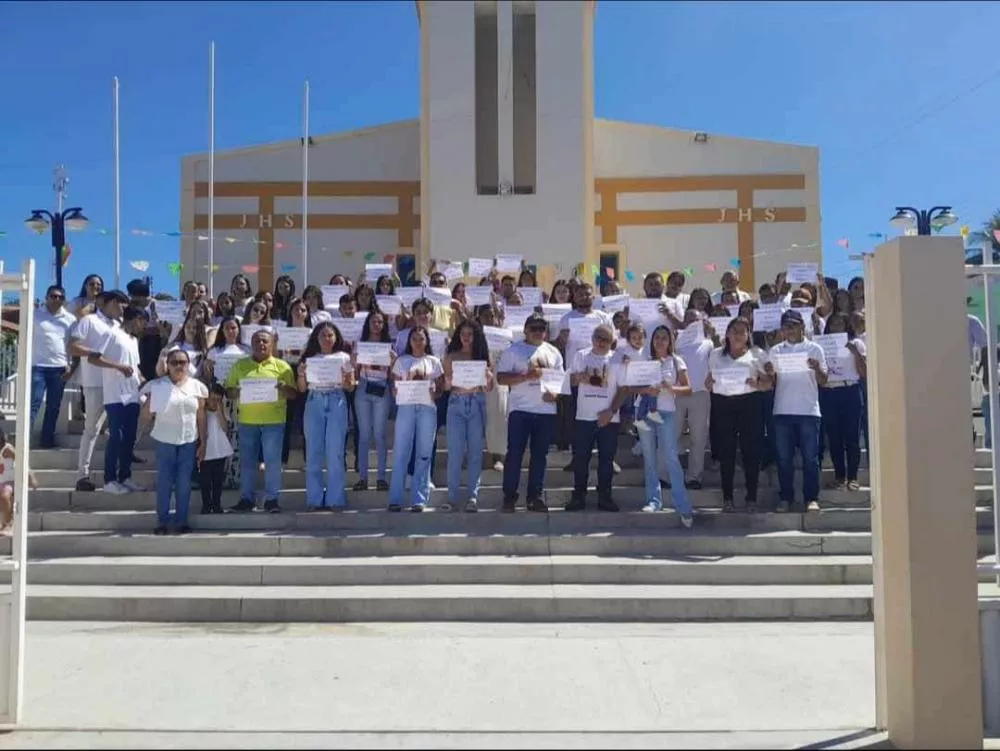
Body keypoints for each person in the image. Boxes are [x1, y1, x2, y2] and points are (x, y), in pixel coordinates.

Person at [616, 325, 693, 524]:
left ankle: (681, 503)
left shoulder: (676, 361)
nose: (660, 341)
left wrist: (670, 387)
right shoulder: (644, 360)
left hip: (666, 413)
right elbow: (630, 387)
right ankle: (653, 500)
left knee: (671, 458)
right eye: (657, 337)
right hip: (643, 413)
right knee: (649, 457)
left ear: (670, 341)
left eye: (664, 338)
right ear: (652, 340)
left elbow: (687, 389)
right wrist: (645, 389)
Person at [497, 312, 564, 513]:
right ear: (525, 329)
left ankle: (535, 497)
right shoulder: (513, 350)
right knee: (515, 454)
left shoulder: (554, 352)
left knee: (540, 456)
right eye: (533, 328)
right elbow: (501, 378)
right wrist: (526, 376)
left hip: (545, 411)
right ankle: (510, 496)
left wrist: (555, 395)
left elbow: (560, 382)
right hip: (520, 410)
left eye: (541, 328)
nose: (537, 332)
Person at [224, 330, 297, 513]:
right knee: (248, 462)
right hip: (248, 421)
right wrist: (238, 391)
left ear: (272, 344)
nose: (261, 344)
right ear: (251, 344)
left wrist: (283, 388)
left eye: (265, 341)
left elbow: (294, 394)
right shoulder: (240, 365)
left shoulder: (283, 367)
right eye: (256, 341)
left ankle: (272, 499)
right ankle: (247, 499)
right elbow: (228, 391)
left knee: (272, 462)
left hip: (274, 421)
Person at [765, 309, 828, 512]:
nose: (789, 330)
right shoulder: (775, 351)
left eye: (792, 325)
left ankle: (812, 498)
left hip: (809, 411)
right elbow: (771, 383)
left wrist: (817, 368)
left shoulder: (815, 349)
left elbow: (824, 381)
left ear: (802, 326)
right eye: (785, 327)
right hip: (782, 410)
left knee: (811, 459)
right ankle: (786, 498)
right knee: (784, 459)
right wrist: (768, 374)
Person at [705, 317, 770, 513]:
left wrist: (758, 384)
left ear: (749, 335)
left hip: (749, 404)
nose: (738, 334)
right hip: (723, 405)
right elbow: (710, 379)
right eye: (734, 330)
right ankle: (727, 498)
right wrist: (709, 384)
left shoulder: (757, 354)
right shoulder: (716, 354)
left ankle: (751, 497)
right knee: (727, 453)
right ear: (726, 333)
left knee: (751, 452)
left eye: (743, 331)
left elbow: (769, 383)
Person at [141, 348, 208, 535]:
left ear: (189, 365)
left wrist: (204, 441)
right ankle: (162, 521)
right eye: (174, 363)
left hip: (189, 439)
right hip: (165, 439)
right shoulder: (158, 385)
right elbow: (145, 417)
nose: (179, 366)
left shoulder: (197, 387)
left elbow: (201, 416)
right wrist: (149, 404)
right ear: (167, 366)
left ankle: (181, 520)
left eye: (183, 362)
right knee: (164, 482)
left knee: (184, 482)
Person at [68, 290, 128, 491]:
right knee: (92, 429)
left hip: (117, 383)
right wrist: (94, 353)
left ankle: (116, 474)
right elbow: (72, 347)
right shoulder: (89, 321)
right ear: (108, 302)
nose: (122, 308)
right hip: (95, 381)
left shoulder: (118, 326)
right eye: (120, 303)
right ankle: (82, 475)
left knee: (120, 429)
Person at [88, 307, 147, 494]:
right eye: (143, 321)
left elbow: (134, 367)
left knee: (129, 438)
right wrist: (118, 367)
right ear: (136, 318)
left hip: (132, 396)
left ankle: (125, 477)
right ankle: (109, 480)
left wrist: (143, 380)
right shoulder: (111, 333)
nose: (144, 326)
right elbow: (93, 358)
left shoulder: (134, 340)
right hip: (115, 395)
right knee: (117, 437)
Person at [298, 322, 355, 510]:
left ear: (336, 337)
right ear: (316, 338)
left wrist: (347, 378)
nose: (327, 339)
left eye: (330, 335)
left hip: (336, 399)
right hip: (314, 400)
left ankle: (335, 499)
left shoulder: (344, 358)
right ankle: (314, 498)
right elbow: (302, 388)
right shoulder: (308, 358)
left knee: (335, 452)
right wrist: (300, 375)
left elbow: (350, 386)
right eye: (323, 335)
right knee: (313, 451)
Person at [565, 323, 621, 511]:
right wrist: (579, 378)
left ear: (612, 341)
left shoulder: (617, 359)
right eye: (598, 337)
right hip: (584, 416)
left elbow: (624, 389)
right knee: (581, 458)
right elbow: (568, 380)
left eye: (606, 339)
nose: (601, 342)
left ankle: (605, 495)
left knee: (607, 459)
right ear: (592, 338)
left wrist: (611, 411)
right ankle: (579, 495)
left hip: (609, 418)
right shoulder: (581, 355)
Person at [389, 325, 444, 512]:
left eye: (421, 339)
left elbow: (441, 389)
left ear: (427, 341)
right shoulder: (401, 361)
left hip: (427, 408)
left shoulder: (434, 362)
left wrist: (434, 392)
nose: (418, 342)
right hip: (406, 408)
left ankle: (419, 498)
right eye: (414, 339)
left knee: (424, 452)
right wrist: (397, 390)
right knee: (401, 451)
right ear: (409, 341)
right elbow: (394, 387)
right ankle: (395, 498)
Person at [443, 320, 493, 512]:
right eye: (463, 333)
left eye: (470, 334)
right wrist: (448, 380)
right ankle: (452, 497)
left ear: (475, 337)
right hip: (456, 402)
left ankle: (473, 496)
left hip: (477, 402)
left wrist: (488, 377)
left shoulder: (482, 357)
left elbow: (488, 388)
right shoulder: (451, 356)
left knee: (474, 454)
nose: (466, 337)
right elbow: (446, 387)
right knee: (455, 453)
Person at [819, 313, 867, 492]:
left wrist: (855, 353)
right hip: (829, 392)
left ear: (847, 326)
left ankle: (853, 477)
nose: (837, 327)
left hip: (850, 391)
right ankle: (840, 477)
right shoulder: (822, 345)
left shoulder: (857, 343)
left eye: (841, 323)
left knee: (852, 437)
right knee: (834, 437)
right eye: (833, 324)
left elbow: (864, 373)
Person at [203, 316, 250, 490]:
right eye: (227, 328)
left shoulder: (247, 350)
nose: (231, 331)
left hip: (240, 398)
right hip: (220, 398)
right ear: (222, 331)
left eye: (234, 327)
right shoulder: (214, 351)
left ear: (239, 330)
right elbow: (209, 378)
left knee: (238, 437)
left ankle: (235, 476)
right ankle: (220, 476)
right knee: (222, 435)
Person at [353, 311, 394, 492]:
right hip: (363, 387)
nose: (376, 325)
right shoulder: (359, 345)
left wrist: (393, 363)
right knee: (364, 435)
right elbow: (353, 374)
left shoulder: (389, 347)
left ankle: (381, 478)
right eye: (373, 321)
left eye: (380, 322)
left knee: (380, 434)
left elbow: (394, 375)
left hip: (382, 388)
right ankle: (362, 477)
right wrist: (354, 362)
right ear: (367, 324)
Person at [30, 285, 75, 449]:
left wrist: (70, 364)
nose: (57, 300)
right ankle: (24, 438)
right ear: (46, 297)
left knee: (54, 405)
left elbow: (72, 344)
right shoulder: (34, 315)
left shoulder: (69, 319)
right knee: (33, 403)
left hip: (60, 368)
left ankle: (46, 439)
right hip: (38, 366)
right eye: (53, 296)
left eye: (60, 297)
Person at [674, 310, 714, 489]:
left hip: (700, 394)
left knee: (698, 438)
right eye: (688, 319)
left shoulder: (710, 343)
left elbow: (718, 361)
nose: (692, 322)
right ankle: (667, 475)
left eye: (696, 319)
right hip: (677, 394)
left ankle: (694, 477)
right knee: (671, 436)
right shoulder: (676, 342)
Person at [199, 383, 233, 514]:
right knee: (205, 481)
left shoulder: (222, 412)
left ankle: (217, 504)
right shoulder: (202, 412)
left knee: (218, 481)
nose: (215, 402)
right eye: (212, 399)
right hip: (206, 451)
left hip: (219, 451)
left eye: (218, 400)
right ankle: (206, 505)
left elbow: (225, 428)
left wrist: (220, 412)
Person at [0, 429, 39, 534]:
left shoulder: (7, 450)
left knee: (4, 496)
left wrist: (31, 477)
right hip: (1, 481)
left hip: (11, 482)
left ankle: (8, 524)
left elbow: (23, 461)